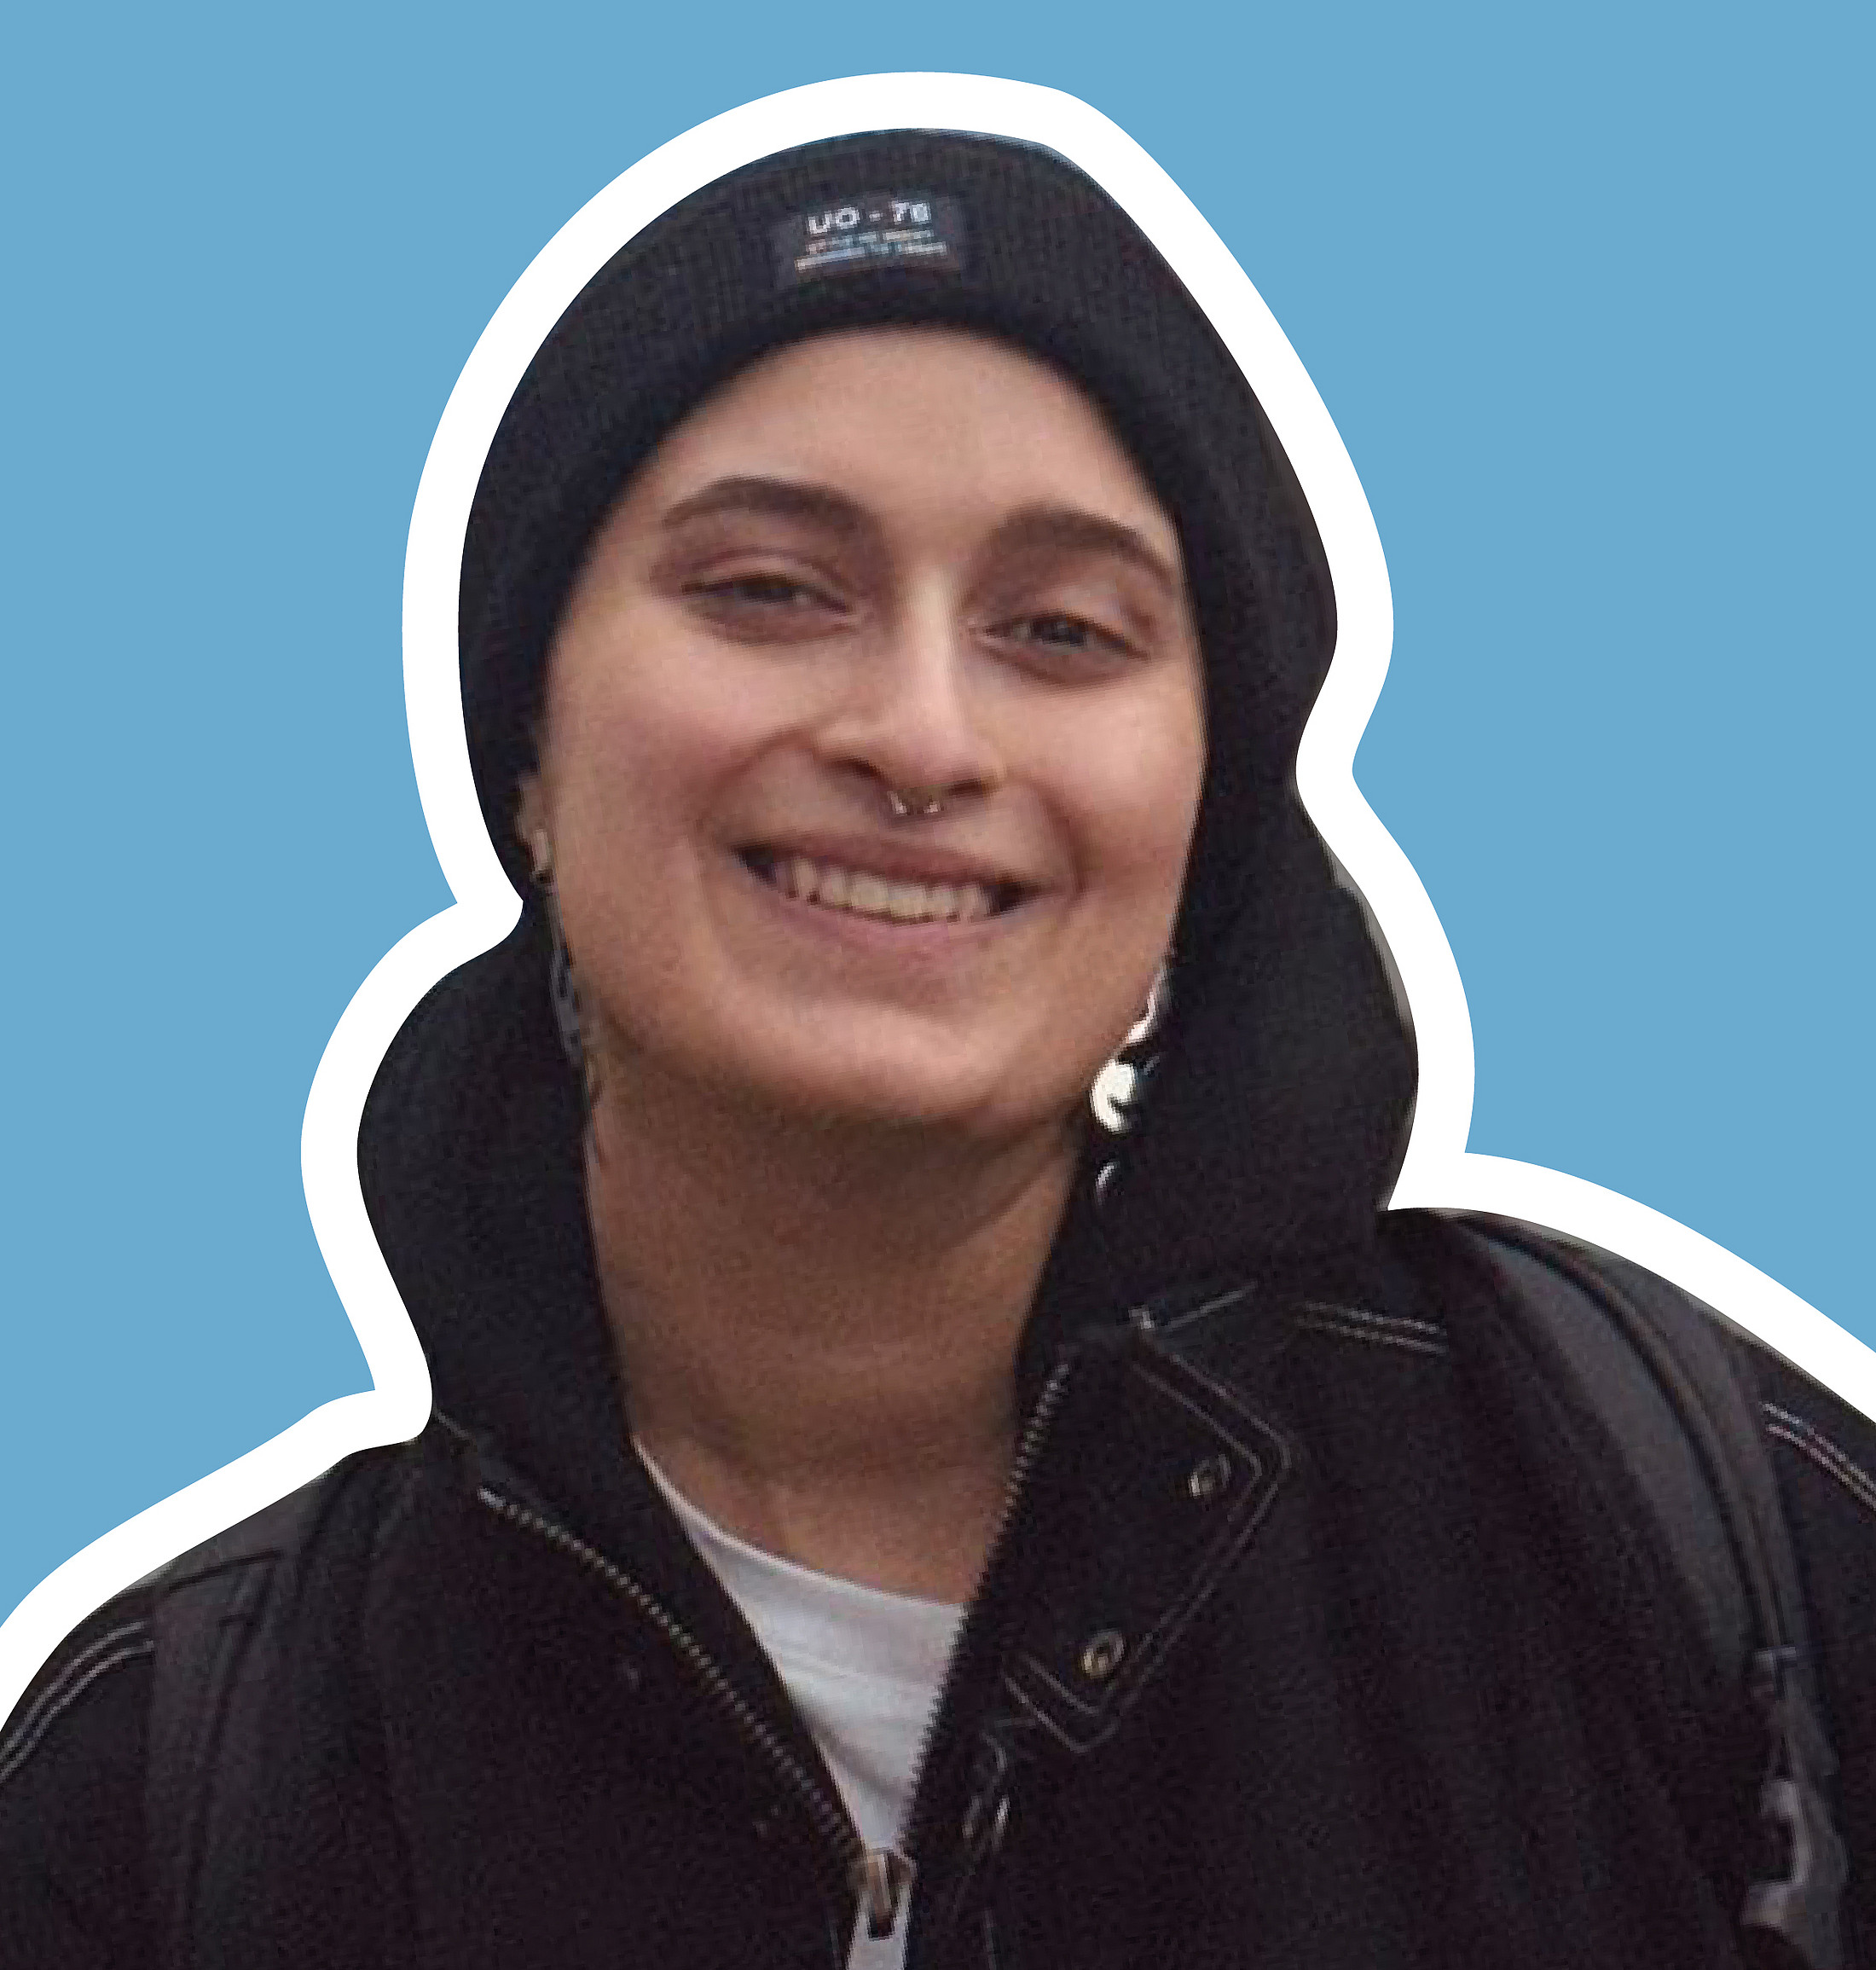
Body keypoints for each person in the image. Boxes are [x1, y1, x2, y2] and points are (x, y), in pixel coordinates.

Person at [3, 126, 1872, 1970]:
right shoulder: (175, 1783)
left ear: (1207, 811)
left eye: (1061, 630)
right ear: (527, 763)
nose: (918, 737)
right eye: (767, 590)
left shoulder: (1666, 1534)